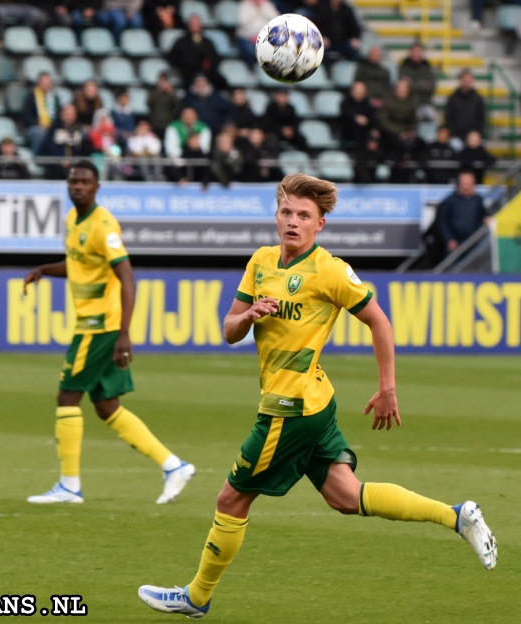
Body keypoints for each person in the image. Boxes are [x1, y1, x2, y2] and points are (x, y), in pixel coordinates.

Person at [137, 172, 497, 618]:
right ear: (276, 215)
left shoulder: (329, 270)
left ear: (320, 224)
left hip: (290, 409)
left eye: (303, 215)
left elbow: (379, 322)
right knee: (346, 496)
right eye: (286, 212)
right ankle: (457, 514)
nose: (293, 221)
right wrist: (249, 314)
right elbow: (229, 330)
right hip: (314, 401)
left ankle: (196, 597)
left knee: (231, 499)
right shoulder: (261, 262)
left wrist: (388, 388)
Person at [23, 161, 195, 505]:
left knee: (67, 396)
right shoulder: (73, 220)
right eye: (74, 181)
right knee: (106, 405)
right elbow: (78, 265)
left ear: (97, 186)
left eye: (85, 182)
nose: (78, 186)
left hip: (99, 326)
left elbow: (127, 277)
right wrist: (44, 269)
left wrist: (124, 334)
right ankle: (173, 465)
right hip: (93, 324)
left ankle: (70, 486)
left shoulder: (104, 225)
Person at [168, 15, 225, 89]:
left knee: (221, 81)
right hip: (189, 73)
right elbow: (173, 58)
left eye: (197, 23)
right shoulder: (181, 42)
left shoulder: (207, 42)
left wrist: (209, 65)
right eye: (193, 23)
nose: (195, 26)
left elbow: (215, 57)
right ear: (188, 26)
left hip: (207, 73)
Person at [437, 169, 488, 252]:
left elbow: (484, 215)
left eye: (468, 184)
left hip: (473, 243)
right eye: (464, 184)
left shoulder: (478, 200)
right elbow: (443, 221)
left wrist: (486, 219)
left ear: (473, 184)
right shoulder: (450, 200)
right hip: (455, 243)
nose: (466, 187)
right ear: (459, 184)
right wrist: (449, 239)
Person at [39, 103, 91, 180]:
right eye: (67, 114)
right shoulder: (54, 130)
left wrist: (74, 161)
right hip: (56, 166)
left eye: (72, 114)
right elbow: (48, 148)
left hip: (75, 166)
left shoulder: (79, 131)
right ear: (62, 114)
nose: (70, 117)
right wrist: (61, 160)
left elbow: (84, 149)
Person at [443, 69, 486, 147]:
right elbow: (448, 118)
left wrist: (477, 134)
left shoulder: (478, 99)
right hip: (456, 136)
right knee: (454, 145)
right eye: (465, 79)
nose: (467, 82)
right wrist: (453, 133)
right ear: (461, 80)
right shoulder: (453, 98)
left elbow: (481, 120)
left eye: (469, 80)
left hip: (473, 137)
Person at [23, 72, 60, 153]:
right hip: (34, 127)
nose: (46, 85)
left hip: (51, 127)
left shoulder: (54, 98)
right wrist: (40, 123)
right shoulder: (31, 97)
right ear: (38, 84)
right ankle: (35, 157)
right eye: (43, 83)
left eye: (48, 83)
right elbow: (27, 117)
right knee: (39, 133)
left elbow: (58, 116)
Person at [398, 42, 437, 121]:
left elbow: (431, 88)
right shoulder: (404, 67)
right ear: (410, 53)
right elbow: (403, 88)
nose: (416, 55)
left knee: (433, 117)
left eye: (418, 52)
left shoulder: (427, 67)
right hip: (408, 104)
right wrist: (422, 84)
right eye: (414, 52)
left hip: (425, 104)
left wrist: (411, 83)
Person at [379, 78, 418, 154]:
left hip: (407, 132)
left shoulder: (413, 101)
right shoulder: (388, 101)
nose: (402, 90)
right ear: (396, 89)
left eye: (404, 88)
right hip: (391, 133)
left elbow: (414, 120)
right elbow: (385, 122)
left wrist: (411, 131)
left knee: (418, 144)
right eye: (400, 88)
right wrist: (400, 132)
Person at [236, 0, 279, 65]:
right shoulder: (244, 5)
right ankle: (251, 69)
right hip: (248, 36)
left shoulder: (267, 4)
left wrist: (262, 8)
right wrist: (254, 9)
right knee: (249, 50)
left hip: (266, 37)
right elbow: (242, 22)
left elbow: (276, 19)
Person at [340, 81, 378, 145]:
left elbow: (373, 118)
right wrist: (356, 118)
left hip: (366, 134)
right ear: (352, 91)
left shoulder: (368, 104)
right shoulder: (345, 103)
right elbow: (346, 115)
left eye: (362, 92)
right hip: (349, 133)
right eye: (357, 91)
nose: (359, 93)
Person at [149, 72, 180, 139]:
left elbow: (177, 104)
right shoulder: (154, 92)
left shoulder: (171, 94)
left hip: (168, 122)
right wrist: (158, 91)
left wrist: (171, 92)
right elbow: (149, 103)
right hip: (155, 122)